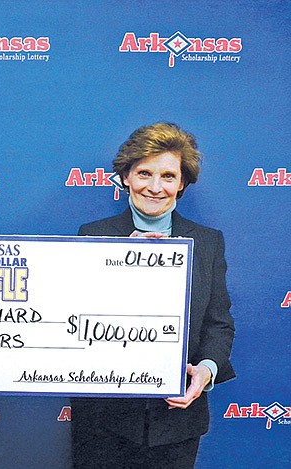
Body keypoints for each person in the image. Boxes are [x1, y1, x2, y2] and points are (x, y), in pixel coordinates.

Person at [71, 122, 235, 468]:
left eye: (168, 176)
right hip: (104, 421)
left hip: (177, 421)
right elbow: (74, 320)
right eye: (144, 173)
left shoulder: (207, 242)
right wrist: (118, 262)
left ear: (182, 184)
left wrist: (204, 373)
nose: (155, 187)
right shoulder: (94, 236)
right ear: (126, 177)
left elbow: (219, 324)